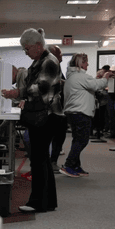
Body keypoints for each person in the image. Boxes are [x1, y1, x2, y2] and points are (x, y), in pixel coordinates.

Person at [1, 28, 60, 213]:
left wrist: (17, 93)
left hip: (46, 117)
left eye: (27, 49)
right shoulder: (40, 61)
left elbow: (39, 88)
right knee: (41, 160)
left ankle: (37, 203)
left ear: (37, 45)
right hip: (45, 116)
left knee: (38, 161)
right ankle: (48, 202)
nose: (25, 53)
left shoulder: (48, 61)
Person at [60, 53, 114, 177]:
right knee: (82, 140)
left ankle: (75, 165)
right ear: (80, 63)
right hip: (80, 112)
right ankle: (69, 165)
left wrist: (100, 78)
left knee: (77, 140)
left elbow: (92, 84)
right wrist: (105, 77)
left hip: (75, 112)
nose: (88, 64)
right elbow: (96, 85)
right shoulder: (79, 77)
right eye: (86, 62)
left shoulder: (73, 76)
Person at [47, 45, 67, 173]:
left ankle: (53, 161)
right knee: (50, 136)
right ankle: (48, 162)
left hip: (60, 109)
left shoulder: (58, 67)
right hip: (49, 109)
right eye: (59, 53)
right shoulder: (48, 66)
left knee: (60, 135)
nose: (61, 56)